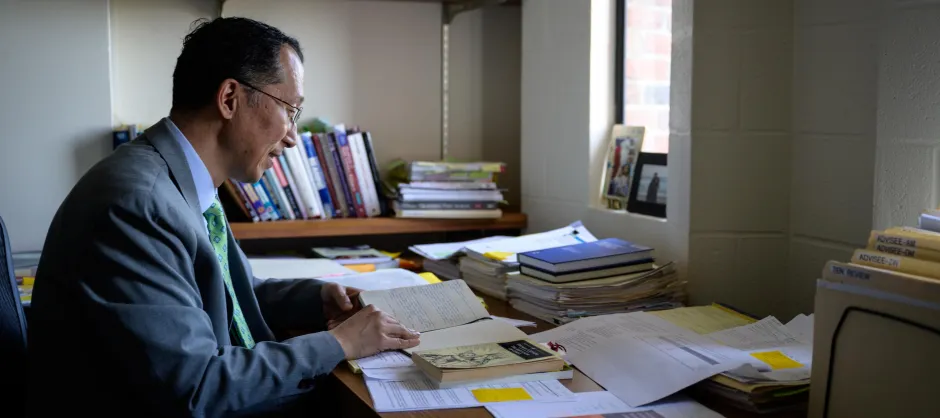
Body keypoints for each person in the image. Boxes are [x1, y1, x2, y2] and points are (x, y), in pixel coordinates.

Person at [26, 17, 420, 417]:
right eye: (291, 110)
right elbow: (196, 388)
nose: (291, 136)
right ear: (230, 98)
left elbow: (231, 295)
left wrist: (316, 299)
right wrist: (340, 344)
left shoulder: (183, 181)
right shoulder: (139, 206)